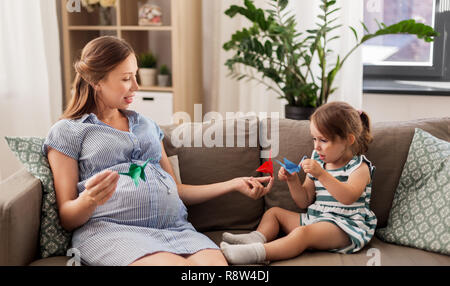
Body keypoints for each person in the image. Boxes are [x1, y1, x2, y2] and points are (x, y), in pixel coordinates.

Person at [43, 36, 273, 266]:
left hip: (175, 229)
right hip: (111, 230)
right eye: (126, 78)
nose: (136, 86)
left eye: (135, 75)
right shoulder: (68, 131)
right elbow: (67, 217)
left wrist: (233, 184)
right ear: (96, 81)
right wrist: (89, 200)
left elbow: (177, 189)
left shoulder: (147, 125)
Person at [220, 101, 377, 264]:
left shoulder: (359, 167)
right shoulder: (318, 160)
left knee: (302, 234)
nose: (317, 147)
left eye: (323, 140)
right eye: (314, 139)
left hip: (345, 227)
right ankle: (254, 239)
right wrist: (293, 180)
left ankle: (255, 253)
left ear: (348, 140)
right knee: (273, 213)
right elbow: (304, 200)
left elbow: (348, 197)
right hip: (316, 219)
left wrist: (321, 174)